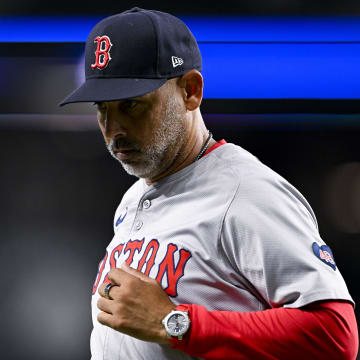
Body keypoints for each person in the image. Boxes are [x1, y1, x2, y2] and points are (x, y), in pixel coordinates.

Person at [60, 7, 358, 360]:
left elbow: (335, 336)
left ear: (190, 91)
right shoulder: (135, 196)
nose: (113, 130)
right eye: (102, 108)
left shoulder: (245, 192)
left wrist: (174, 323)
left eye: (131, 105)